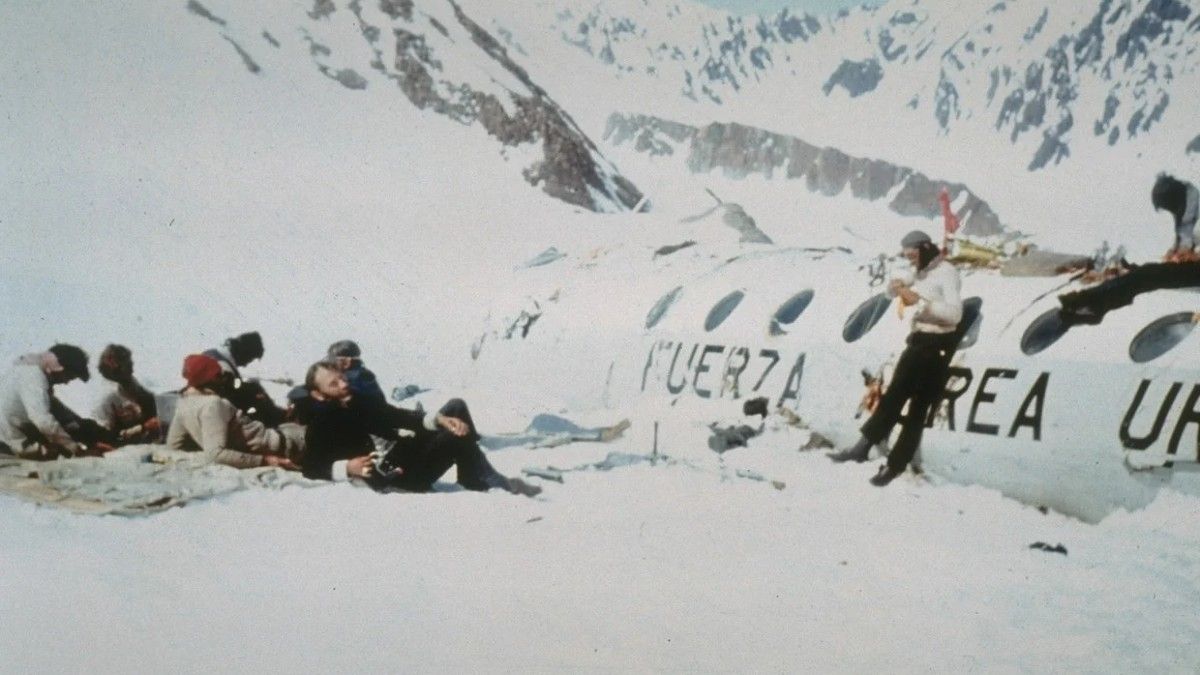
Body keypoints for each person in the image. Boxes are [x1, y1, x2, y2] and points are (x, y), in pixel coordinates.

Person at [827, 230, 964, 486]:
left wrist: (922, 305)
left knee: (917, 411)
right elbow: (901, 286)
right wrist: (895, 288)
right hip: (917, 344)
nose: (911, 261)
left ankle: (894, 465)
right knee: (891, 399)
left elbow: (955, 315)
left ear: (924, 249)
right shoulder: (922, 271)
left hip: (936, 349)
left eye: (913, 255)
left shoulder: (947, 273)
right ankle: (862, 447)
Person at [301, 359, 539, 496]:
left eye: (343, 378)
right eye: (334, 383)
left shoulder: (355, 401)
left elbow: (398, 416)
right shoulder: (321, 421)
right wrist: (348, 467)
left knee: (453, 412)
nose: (344, 384)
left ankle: (474, 477)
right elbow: (310, 466)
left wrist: (440, 420)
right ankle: (490, 481)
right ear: (318, 394)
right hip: (392, 482)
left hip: (397, 461)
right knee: (453, 439)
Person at [1059, 174, 1200, 324]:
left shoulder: (1191, 211)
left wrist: (1182, 255)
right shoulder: (1190, 211)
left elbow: (1186, 242)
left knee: (1147, 276)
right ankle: (1093, 301)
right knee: (1147, 275)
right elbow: (1185, 243)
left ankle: (1091, 303)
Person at [166, 354, 297, 469]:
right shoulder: (213, 404)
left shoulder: (183, 403)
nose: (223, 377)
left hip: (272, 439)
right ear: (208, 380)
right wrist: (265, 460)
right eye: (218, 375)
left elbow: (173, 445)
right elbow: (216, 454)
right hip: (279, 444)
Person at [0, 344, 100, 458]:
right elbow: (42, 420)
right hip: (8, 445)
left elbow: (60, 411)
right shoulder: (33, 376)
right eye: (69, 377)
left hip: (12, 438)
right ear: (60, 368)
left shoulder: (25, 371)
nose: (66, 382)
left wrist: (84, 428)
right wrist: (77, 450)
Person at [202, 331, 284, 426]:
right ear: (244, 352)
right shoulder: (225, 368)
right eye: (248, 360)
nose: (245, 365)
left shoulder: (213, 353)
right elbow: (230, 401)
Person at [91, 344, 160, 445]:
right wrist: (143, 427)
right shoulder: (107, 395)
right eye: (127, 361)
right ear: (113, 363)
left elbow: (150, 399)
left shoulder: (130, 383)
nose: (132, 365)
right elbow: (104, 435)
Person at [326, 339, 386, 404]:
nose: (330, 364)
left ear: (346, 362)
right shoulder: (364, 375)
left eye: (332, 360)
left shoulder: (354, 378)